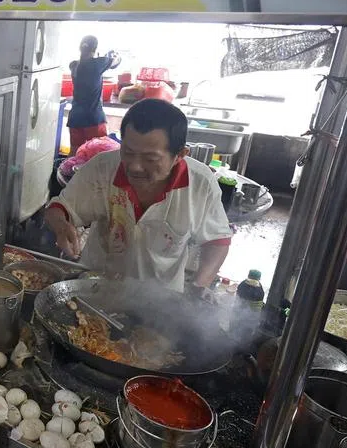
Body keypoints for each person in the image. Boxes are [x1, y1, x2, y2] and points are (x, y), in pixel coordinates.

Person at [45, 99, 232, 294]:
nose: (134, 166)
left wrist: (198, 288)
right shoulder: (102, 167)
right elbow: (60, 209)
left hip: (159, 300)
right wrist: (61, 226)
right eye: (128, 152)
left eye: (150, 159)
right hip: (95, 285)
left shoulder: (201, 184)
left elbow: (217, 241)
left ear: (180, 155)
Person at [67, 35, 120, 153]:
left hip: (75, 117)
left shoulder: (73, 65)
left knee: (76, 154)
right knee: (98, 156)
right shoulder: (98, 64)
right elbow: (115, 61)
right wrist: (113, 55)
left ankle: (71, 172)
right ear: (95, 49)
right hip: (93, 118)